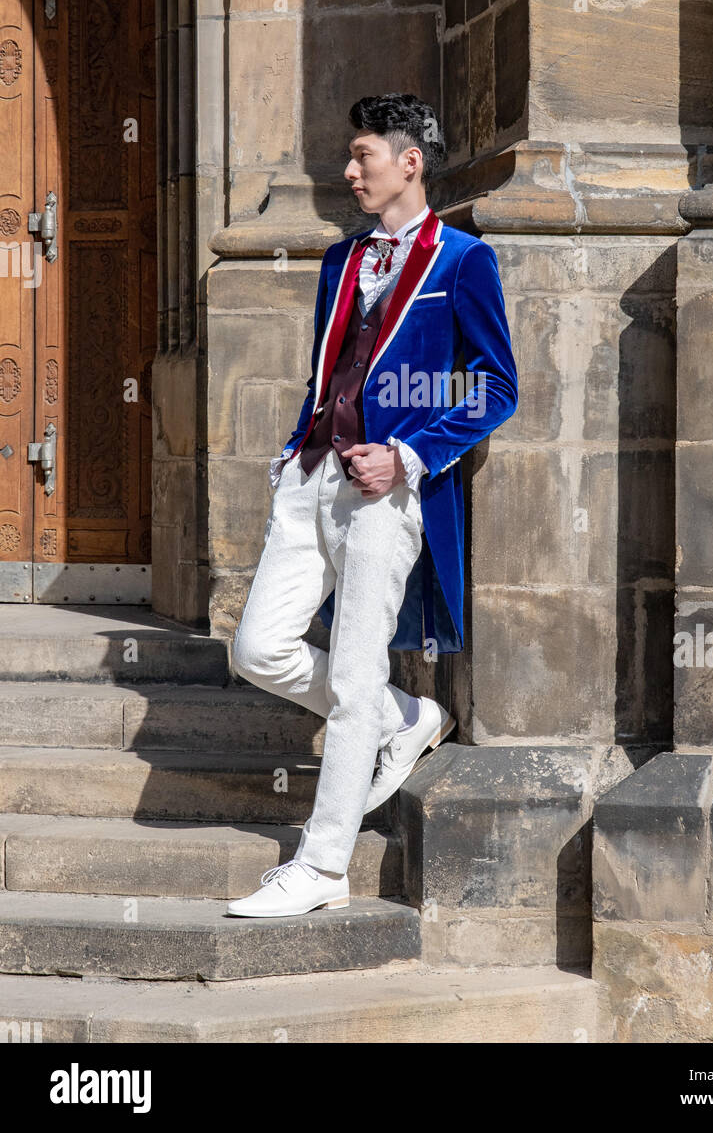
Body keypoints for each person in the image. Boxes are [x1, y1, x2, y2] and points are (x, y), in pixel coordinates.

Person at [227, 92, 518, 917]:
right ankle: (408, 715)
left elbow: (498, 387)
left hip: (385, 493)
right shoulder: (339, 261)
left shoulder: (462, 261)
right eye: (351, 159)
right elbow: (332, 372)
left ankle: (321, 868)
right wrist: (294, 447)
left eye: (362, 158)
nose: (349, 173)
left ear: (409, 162)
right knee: (257, 648)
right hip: (311, 476)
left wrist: (409, 455)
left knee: (354, 677)